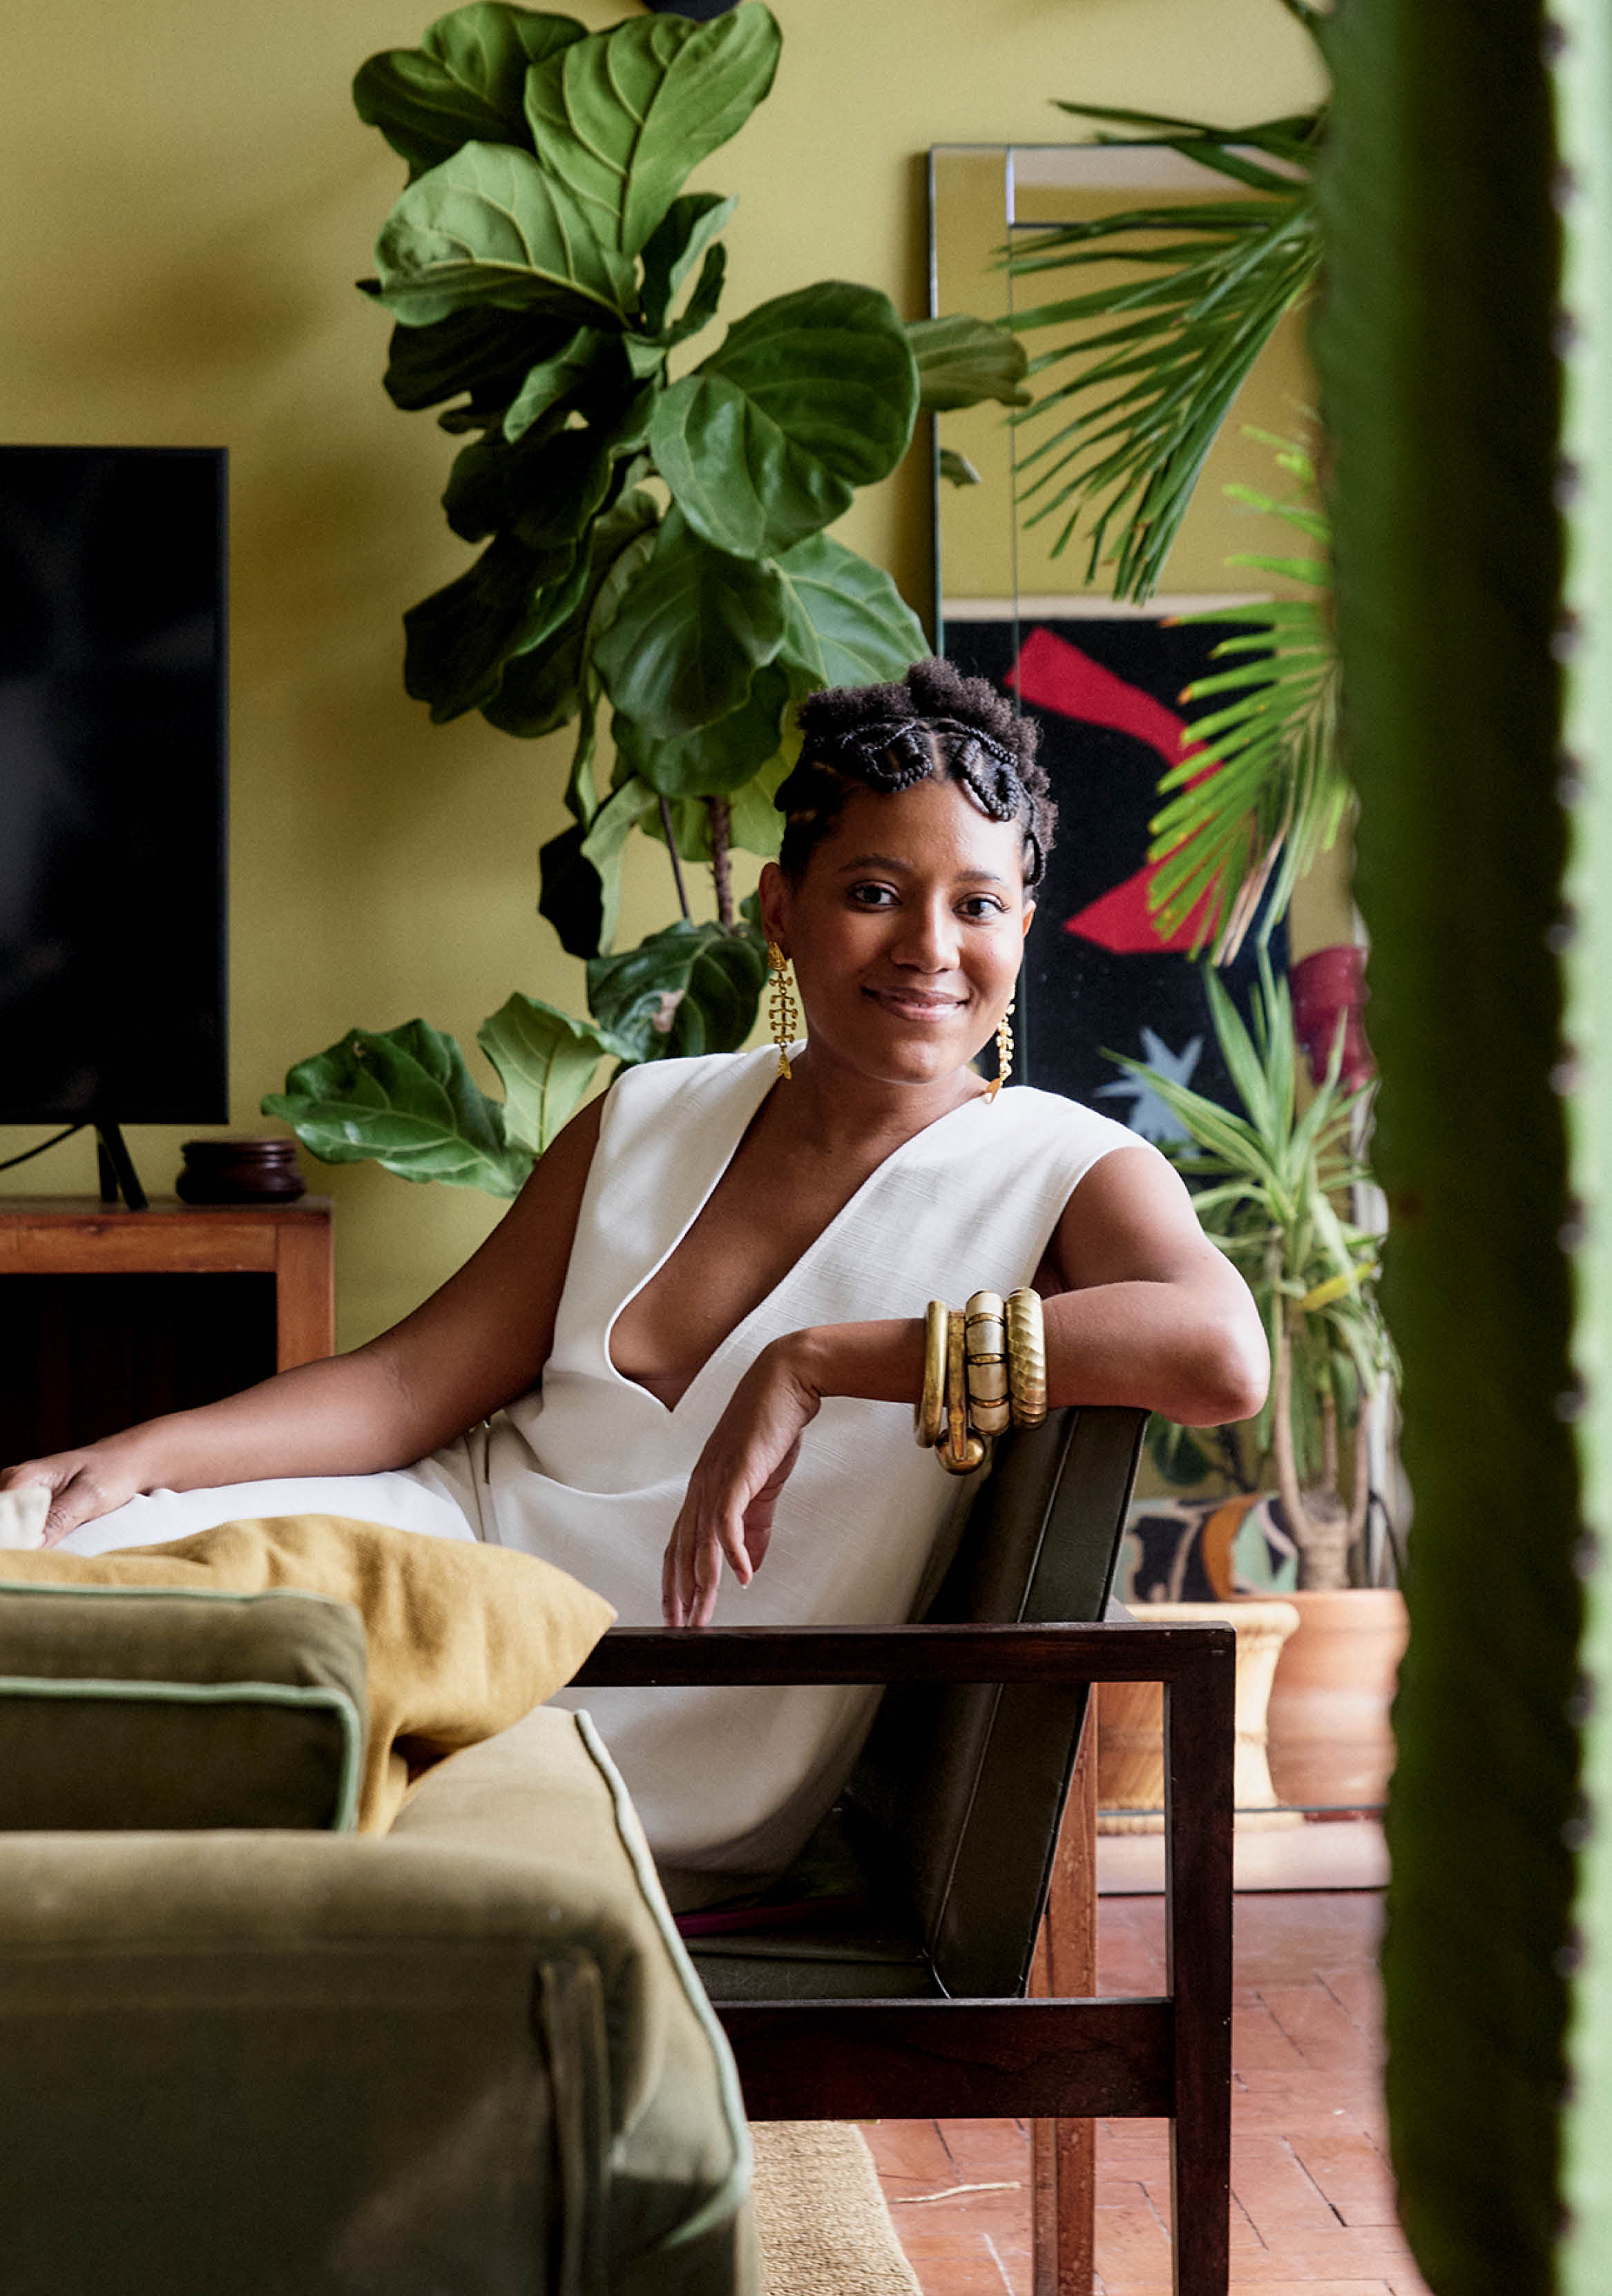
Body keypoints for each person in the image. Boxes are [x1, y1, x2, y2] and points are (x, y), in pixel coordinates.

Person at [0, 661, 1268, 1896]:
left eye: (978, 905)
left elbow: (1220, 1354)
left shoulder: (1062, 1168)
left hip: (666, 1701)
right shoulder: (652, 1112)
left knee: (131, 1667)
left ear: (1023, 928)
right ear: (779, 910)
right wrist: (141, 1456)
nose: (929, 947)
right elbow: (403, 1387)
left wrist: (820, 1359)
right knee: (67, 1564)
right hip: (449, 1561)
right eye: (874, 891)